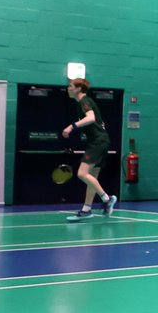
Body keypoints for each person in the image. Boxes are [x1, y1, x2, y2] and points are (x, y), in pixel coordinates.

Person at [61, 78, 116, 221]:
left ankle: (107, 199)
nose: (68, 88)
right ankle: (86, 209)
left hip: (98, 142)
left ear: (79, 88)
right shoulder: (84, 102)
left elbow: (90, 118)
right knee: (92, 178)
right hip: (100, 141)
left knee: (82, 173)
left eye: (71, 86)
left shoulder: (84, 101)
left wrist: (71, 126)